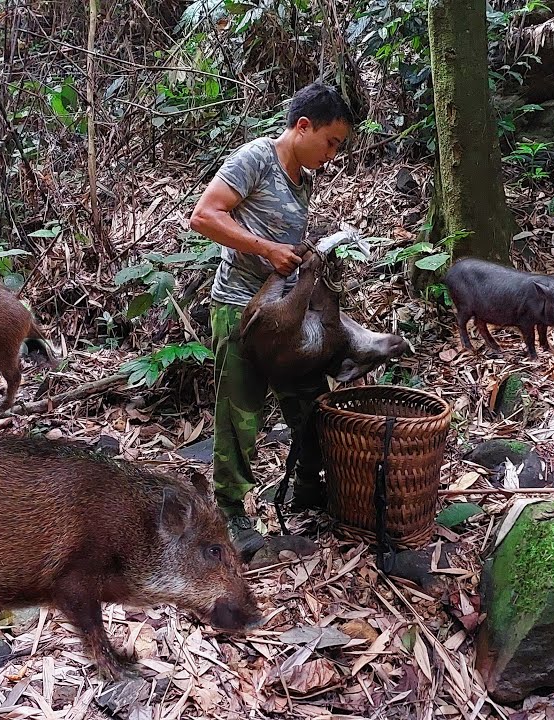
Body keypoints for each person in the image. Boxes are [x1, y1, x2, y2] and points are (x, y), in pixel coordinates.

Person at [189, 82, 355, 558]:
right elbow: (204, 216)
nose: (333, 153)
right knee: (240, 413)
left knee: (310, 400)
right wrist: (268, 250)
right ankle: (230, 512)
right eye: (331, 142)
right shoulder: (256, 158)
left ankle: (307, 485)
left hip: (284, 319)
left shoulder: (303, 177)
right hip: (239, 310)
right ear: (303, 126)